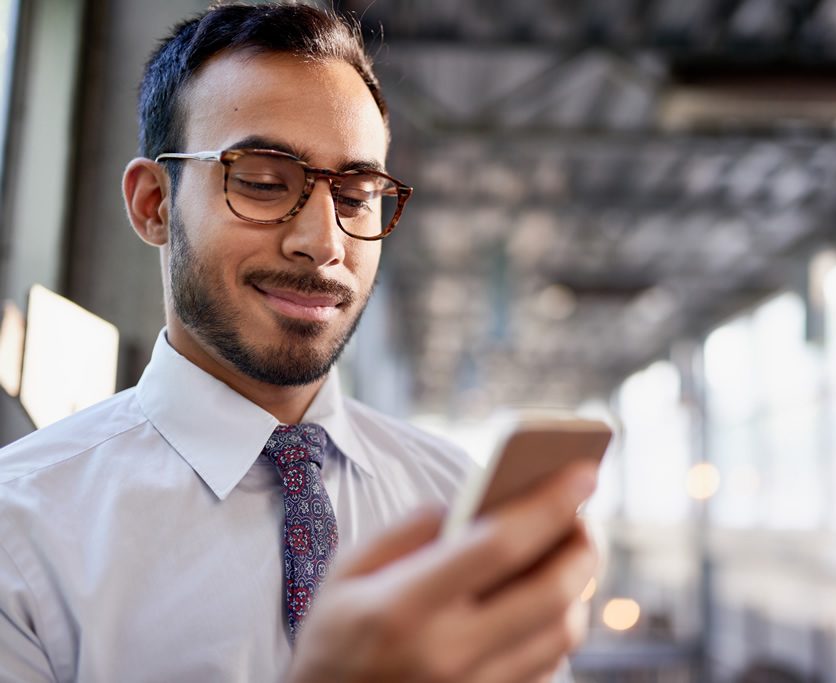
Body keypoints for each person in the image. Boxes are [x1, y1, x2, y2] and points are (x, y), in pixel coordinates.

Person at [0, 4, 598, 682]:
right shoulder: (20, 530)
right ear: (153, 204)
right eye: (260, 181)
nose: (323, 243)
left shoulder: (451, 498)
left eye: (356, 194)